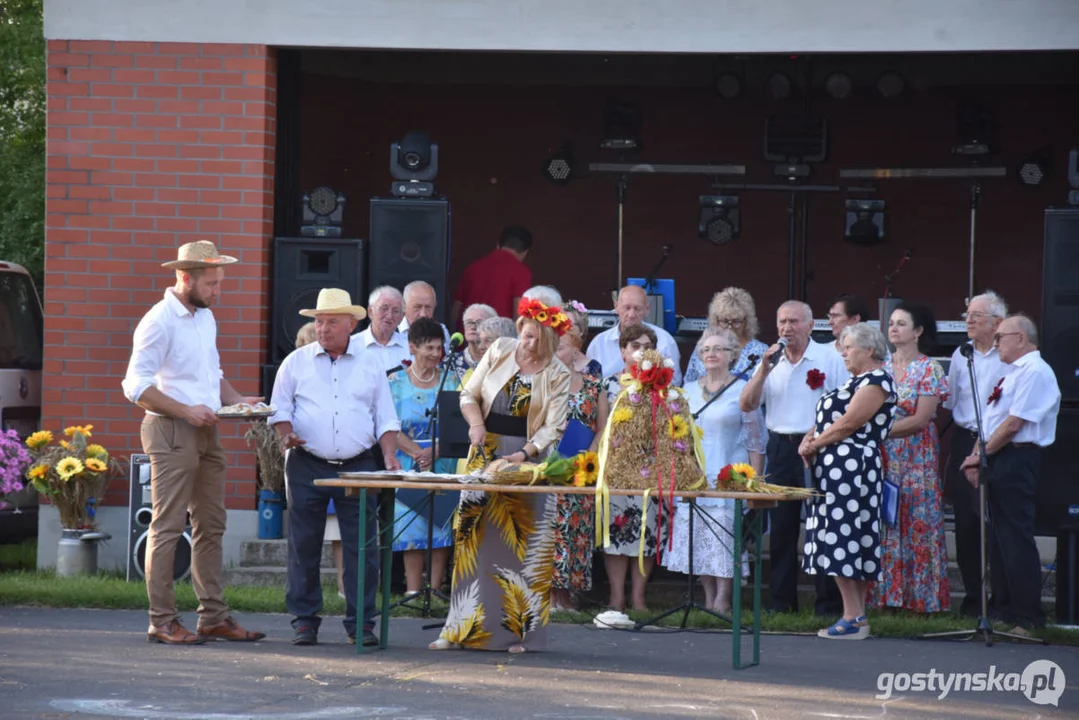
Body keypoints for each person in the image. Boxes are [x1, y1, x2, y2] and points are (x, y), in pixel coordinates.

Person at [121, 240, 265, 645]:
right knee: (167, 526)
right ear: (185, 277)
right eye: (212, 283)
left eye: (220, 282)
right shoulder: (158, 320)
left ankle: (213, 617)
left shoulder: (204, 317)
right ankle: (161, 621)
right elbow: (135, 386)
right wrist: (186, 411)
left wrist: (237, 400)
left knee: (211, 524)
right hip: (170, 427)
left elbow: (210, 373)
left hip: (206, 427)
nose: (218, 291)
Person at [433, 285, 571, 653]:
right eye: (525, 335)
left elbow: (553, 427)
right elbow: (469, 393)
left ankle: (524, 635)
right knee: (472, 537)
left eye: (535, 340)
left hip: (527, 461)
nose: (527, 345)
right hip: (485, 450)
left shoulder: (558, 373)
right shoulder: (499, 350)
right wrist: (475, 423)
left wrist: (524, 455)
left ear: (550, 340)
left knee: (524, 547)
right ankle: (458, 628)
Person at [269, 288, 402, 647]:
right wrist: (288, 434)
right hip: (306, 462)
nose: (322, 329)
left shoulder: (371, 363)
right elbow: (278, 409)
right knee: (304, 544)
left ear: (351, 324)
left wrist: (389, 454)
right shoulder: (295, 362)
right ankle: (304, 620)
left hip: (359, 464)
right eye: (318, 321)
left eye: (330, 322)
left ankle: (361, 623)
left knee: (363, 547)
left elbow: (385, 418)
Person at [739, 300, 847, 615]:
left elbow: (843, 404)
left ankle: (828, 604)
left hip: (819, 447)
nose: (787, 328)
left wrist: (816, 436)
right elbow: (746, 404)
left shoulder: (829, 357)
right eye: (782, 322)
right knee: (783, 529)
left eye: (794, 322)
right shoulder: (770, 362)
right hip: (780, 448)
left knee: (823, 526)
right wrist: (762, 370)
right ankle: (782, 602)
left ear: (811, 326)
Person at [960, 314, 1060, 634]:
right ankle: (1002, 608)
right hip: (998, 457)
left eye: (1002, 336)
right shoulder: (1010, 373)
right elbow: (990, 419)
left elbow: (1014, 424)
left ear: (1022, 338)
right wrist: (977, 456)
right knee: (999, 539)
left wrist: (981, 455)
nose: (997, 341)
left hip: (1017, 458)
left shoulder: (1035, 371)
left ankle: (1027, 616)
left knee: (1016, 538)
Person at [799, 323, 896, 639]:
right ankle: (854, 615)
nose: (843, 352)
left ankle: (853, 616)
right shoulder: (855, 381)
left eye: (850, 346)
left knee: (846, 536)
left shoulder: (877, 380)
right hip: (835, 467)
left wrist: (816, 443)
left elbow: (850, 422)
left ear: (870, 349)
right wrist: (809, 438)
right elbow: (829, 420)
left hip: (852, 468)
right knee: (837, 536)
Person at [667, 328, 765, 614]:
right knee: (699, 539)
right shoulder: (689, 390)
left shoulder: (742, 390)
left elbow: (756, 440)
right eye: (706, 349)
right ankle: (708, 596)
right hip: (696, 475)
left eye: (719, 349)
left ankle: (723, 600)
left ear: (732, 355)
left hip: (730, 476)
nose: (711, 353)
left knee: (724, 540)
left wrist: (755, 485)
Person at [869, 304, 951, 613]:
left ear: (917, 331)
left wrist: (878, 431)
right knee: (886, 522)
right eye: (891, 323)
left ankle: (921, 601)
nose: (893, 328)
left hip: (917, 456)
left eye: (901, 324)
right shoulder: (880, 368)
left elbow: (921, 418)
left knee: (918, 521)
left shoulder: (929, 368)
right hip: (886, 457)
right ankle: (886, 599)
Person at [942, 290, 1010, 617]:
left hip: (998, 441)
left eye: (975, 315)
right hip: (963, 437)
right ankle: (973, 601)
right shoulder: (961, 354)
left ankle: (1001, 601)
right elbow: (952, 400)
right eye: (966, 314)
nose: (967, 320)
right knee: (967, 524)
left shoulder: (1009, 356)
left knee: (995, 522)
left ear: (996, 322)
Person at [387, 317, 461, 596]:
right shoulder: (395, 382)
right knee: (409, 526)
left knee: (439, 525)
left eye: (439, 348)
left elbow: (458, 424)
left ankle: (436, 588)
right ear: (412, 348)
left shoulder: (451, 380)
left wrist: (435, 453)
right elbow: (387, 424)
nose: (435, 354)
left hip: (442, 460)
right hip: (407, 462)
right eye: (429, 348)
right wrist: (417, 453)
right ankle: (413, 590)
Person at [550, 301, 608, 611]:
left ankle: (567, 596)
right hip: (547, 463)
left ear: (576, 350)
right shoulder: (544, 382)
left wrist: (590, 456)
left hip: (579, 466)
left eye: (562, 347)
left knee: (575, 531)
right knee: (548, 531)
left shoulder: (591, 382)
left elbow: (601, 426)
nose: (557, 353)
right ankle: (545, 595)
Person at [602, 323, 663, 611]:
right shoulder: (609, 385)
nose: (642, 351)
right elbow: (601, 428)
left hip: (648, 469)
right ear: (623, 351)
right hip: (616, 468)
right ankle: (616, 597)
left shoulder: (662, 387)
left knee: (645, 534)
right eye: (635, 346)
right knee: (616, 534)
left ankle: (638, 597)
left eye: (647, 346)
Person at [295, 321, 346, 599]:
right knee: (307, 537)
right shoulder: (295, 367)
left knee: (340, 532)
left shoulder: (347, 370)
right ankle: (306, 604)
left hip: (344, 462)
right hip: (307, 461)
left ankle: (343, 587)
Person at [587, 285, 682, 386]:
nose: (631, 314)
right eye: (626, 308)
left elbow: (674, 383)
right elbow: (590, 386)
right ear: (616, 307)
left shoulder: (665, 340)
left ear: (647, 309)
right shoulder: (599, 343)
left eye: (637, 309)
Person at [451, 225, 533, 326]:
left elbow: (456, 310)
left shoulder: (472, 268)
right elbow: (519, 313)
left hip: (467, 335)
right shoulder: (521, 272)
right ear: (525, 252)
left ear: (498, 245)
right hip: (498, 337)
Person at [684, 287, 769, 384]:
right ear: (715, 320)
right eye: (724, 321)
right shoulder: (704, 347)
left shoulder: (760, 351)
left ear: (747, 321)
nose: (730, 327)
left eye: (736, 321)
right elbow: (688, 384)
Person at [356, 286, 410, 374]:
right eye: (384, 309)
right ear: (370, 312)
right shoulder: (352, 346)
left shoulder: (411, 347)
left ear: (401, 317)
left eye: (395, 311)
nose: (389, 316)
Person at [448, 303, 498, 382]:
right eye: (469, 322)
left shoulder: (500, 361)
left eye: (479, 322)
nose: (473, 327)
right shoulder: (450, 362)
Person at [399, 280, 451, 347]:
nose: (423, 314)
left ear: (435, 306)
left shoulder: (442, 331)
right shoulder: (391, 331)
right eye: (417, 307)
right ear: (404, 306)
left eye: (428, 307)